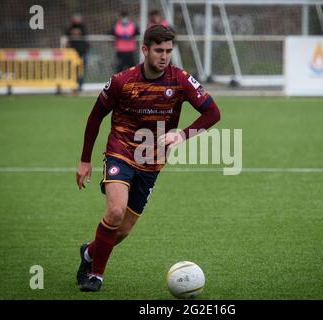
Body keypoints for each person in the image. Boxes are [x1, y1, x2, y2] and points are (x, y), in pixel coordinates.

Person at [75, 25, 221, 292]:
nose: (164, 56)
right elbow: (96, 116)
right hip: (120, 151)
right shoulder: (122, 81)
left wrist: (182, 135)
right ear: (145, 50)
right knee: (115, 211)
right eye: (158, 51)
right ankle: (95, 275)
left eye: (168, 51)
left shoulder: (180, 80)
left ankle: (88, 253)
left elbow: (212, 113)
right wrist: (85, 160)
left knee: (122, 230)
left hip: (152, 162)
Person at [65, 14, 90, 91]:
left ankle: (80, 86)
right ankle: (73, 85)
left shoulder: (84, 27)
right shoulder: (70, 28)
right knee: (72, 70)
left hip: (83, 52)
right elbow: (65, 35)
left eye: (78, 19)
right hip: (73, 53)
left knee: (82, 70)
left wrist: (79, 31)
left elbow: (87, 35)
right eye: (75, 19)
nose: (76, 21)